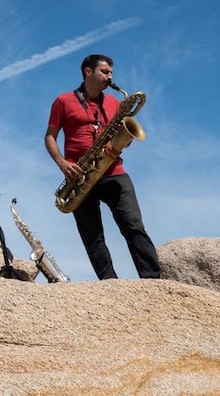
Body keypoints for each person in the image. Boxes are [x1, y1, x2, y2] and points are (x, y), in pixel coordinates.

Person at [44, 54, 161, 279]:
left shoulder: (114, 102)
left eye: (111, 73)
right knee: (92, 235)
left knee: (133, 225)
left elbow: (121, 134)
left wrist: (120, 142)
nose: (110, 77)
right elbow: (50, 136)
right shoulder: (63, 101)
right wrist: (62, 163)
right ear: (88, 72)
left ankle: (152, 280)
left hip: (114, 171)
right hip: (80, 176)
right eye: (105, 72)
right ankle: (109, 283)